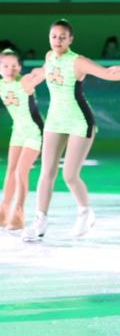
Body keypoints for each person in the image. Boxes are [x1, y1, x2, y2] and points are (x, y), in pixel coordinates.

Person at [22, 20, 120, 242]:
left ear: (71, 39)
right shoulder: (49, 56)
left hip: (78, 121)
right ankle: (40, 221)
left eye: (63, 36)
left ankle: (85, 212)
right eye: (54, 36)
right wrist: (31, 80)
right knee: (46, 172)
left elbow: (106, 74)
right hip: (55, 120)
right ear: (49, 38)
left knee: (69, 175)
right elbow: (44, 72)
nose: (58, 40)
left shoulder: (78, 61)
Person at [0, 49, 46, 231]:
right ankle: (3, 209)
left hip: (34, 131)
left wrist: (51, 60)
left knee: (21, 171)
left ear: (19, 67)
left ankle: (18, 212)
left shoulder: (25, 82)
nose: (10, 69)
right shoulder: (1, 85)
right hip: (18, 131)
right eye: (5, 65)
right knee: (10, 170)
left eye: (14, 65)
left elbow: (42, 74)